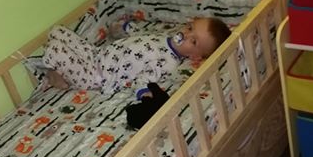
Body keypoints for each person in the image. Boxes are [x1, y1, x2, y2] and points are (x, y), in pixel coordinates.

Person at [42, 16, 231, 96]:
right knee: (57, 31)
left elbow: (145, 80)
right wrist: (127, 27)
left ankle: (57, 77)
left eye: (194, 41)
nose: (186, 35)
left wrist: (143, 93)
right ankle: (60, 68)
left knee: (55, 49)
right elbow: (142, 37)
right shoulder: (165, 36)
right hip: (96, 54)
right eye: (190, 28)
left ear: (196, 57)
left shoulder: (168, 62)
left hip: (96, 76)